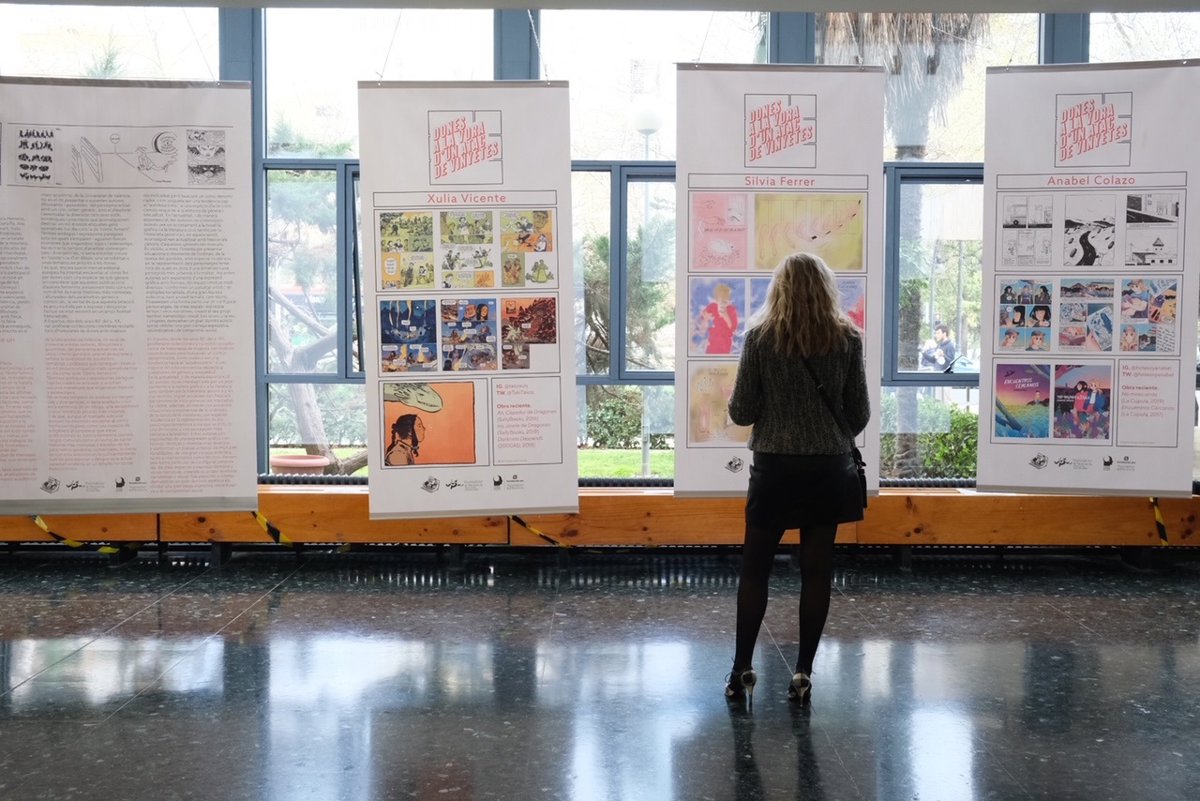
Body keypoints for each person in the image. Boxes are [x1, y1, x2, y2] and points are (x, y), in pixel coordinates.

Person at [724, 252, 870, 706]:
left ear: (779, 289)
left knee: (755, 569)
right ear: (826, 289)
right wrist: (823, 430)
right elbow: (859, 413)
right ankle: (803, 672)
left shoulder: (760, 338)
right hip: (827, 469)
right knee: (817, 572)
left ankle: (741, 670)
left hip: (775, 469)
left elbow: (742, 412)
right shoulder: (847, 339)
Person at [697, 282, 739, 354]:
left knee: (723, 358)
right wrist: (706, 318)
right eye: (720, 299)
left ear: (729, 300)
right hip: (713, 341)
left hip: (725, 342)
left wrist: (725, 315)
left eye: (725, 300)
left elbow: (732, 328)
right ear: (716, 299)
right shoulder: (712, 307)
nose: (722, 302)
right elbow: (702, 319)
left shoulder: (732, 310)